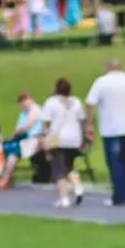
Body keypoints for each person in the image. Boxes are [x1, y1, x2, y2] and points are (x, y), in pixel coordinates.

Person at [85, 58, 125, 206]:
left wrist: (89, 123)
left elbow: (90, 103)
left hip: (109, 129)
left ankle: (118, 196)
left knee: (115, 163)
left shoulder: (101, 82)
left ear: (107, 68)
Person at [40, 77, 88, 208]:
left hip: (58, 138)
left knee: (58, 170)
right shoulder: (76, 102)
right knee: (69, 166)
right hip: (74, 138)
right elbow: (82, 120)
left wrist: (42, 137)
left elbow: (46, 123)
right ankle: (78, 187)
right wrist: (84, 138)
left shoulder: (51, 102)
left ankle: (64, 198)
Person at [0, 91, 44, 189]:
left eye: (24, 103)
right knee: (4, 147)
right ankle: (3, 174)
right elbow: (19, 127)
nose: (23, 105)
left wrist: (16, 133)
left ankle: (6, 177)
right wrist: (14, 135)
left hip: (34, 138)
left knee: (14, 151)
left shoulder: (36, 110)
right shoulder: (24, 112)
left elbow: (27, 126)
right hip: (23, 138)